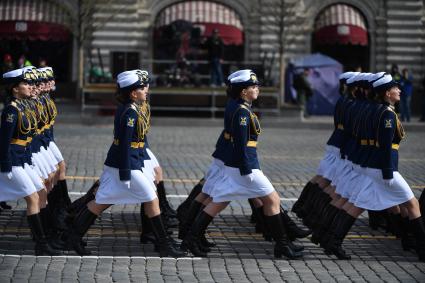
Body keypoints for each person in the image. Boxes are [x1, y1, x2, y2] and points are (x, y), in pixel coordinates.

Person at [181, 70, 303, 259]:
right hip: (244, 168)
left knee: (218, 203)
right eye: (253, 87)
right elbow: (240, 145)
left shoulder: (242, 107)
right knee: (273, 200)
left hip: (238, 166)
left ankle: (190, 239)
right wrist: (247, 169)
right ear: (244, 91)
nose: (257, 89)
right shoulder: (242, 112)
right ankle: (282, 245)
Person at [63, 71, 185, 257]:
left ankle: (73, 237)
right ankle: (163, 244)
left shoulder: (133, 108)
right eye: (141, 87)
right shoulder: (129, 112)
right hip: (123, 164)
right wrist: (126, 172)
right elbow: (125, 144)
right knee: (150, 199)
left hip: (130, 161)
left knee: (102, 201)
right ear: (133, 93)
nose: (146, 90)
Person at [0, 68, 60, 255]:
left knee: (41, 191)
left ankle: (46, 236)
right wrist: (5, 165)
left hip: (24, 159)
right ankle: (41, 243)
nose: (30, 87)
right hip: (14, 161)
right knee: (33, 197)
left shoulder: (23, 106)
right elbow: (3, 141)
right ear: (15, 89)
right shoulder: (11, 111)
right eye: (25, 84)